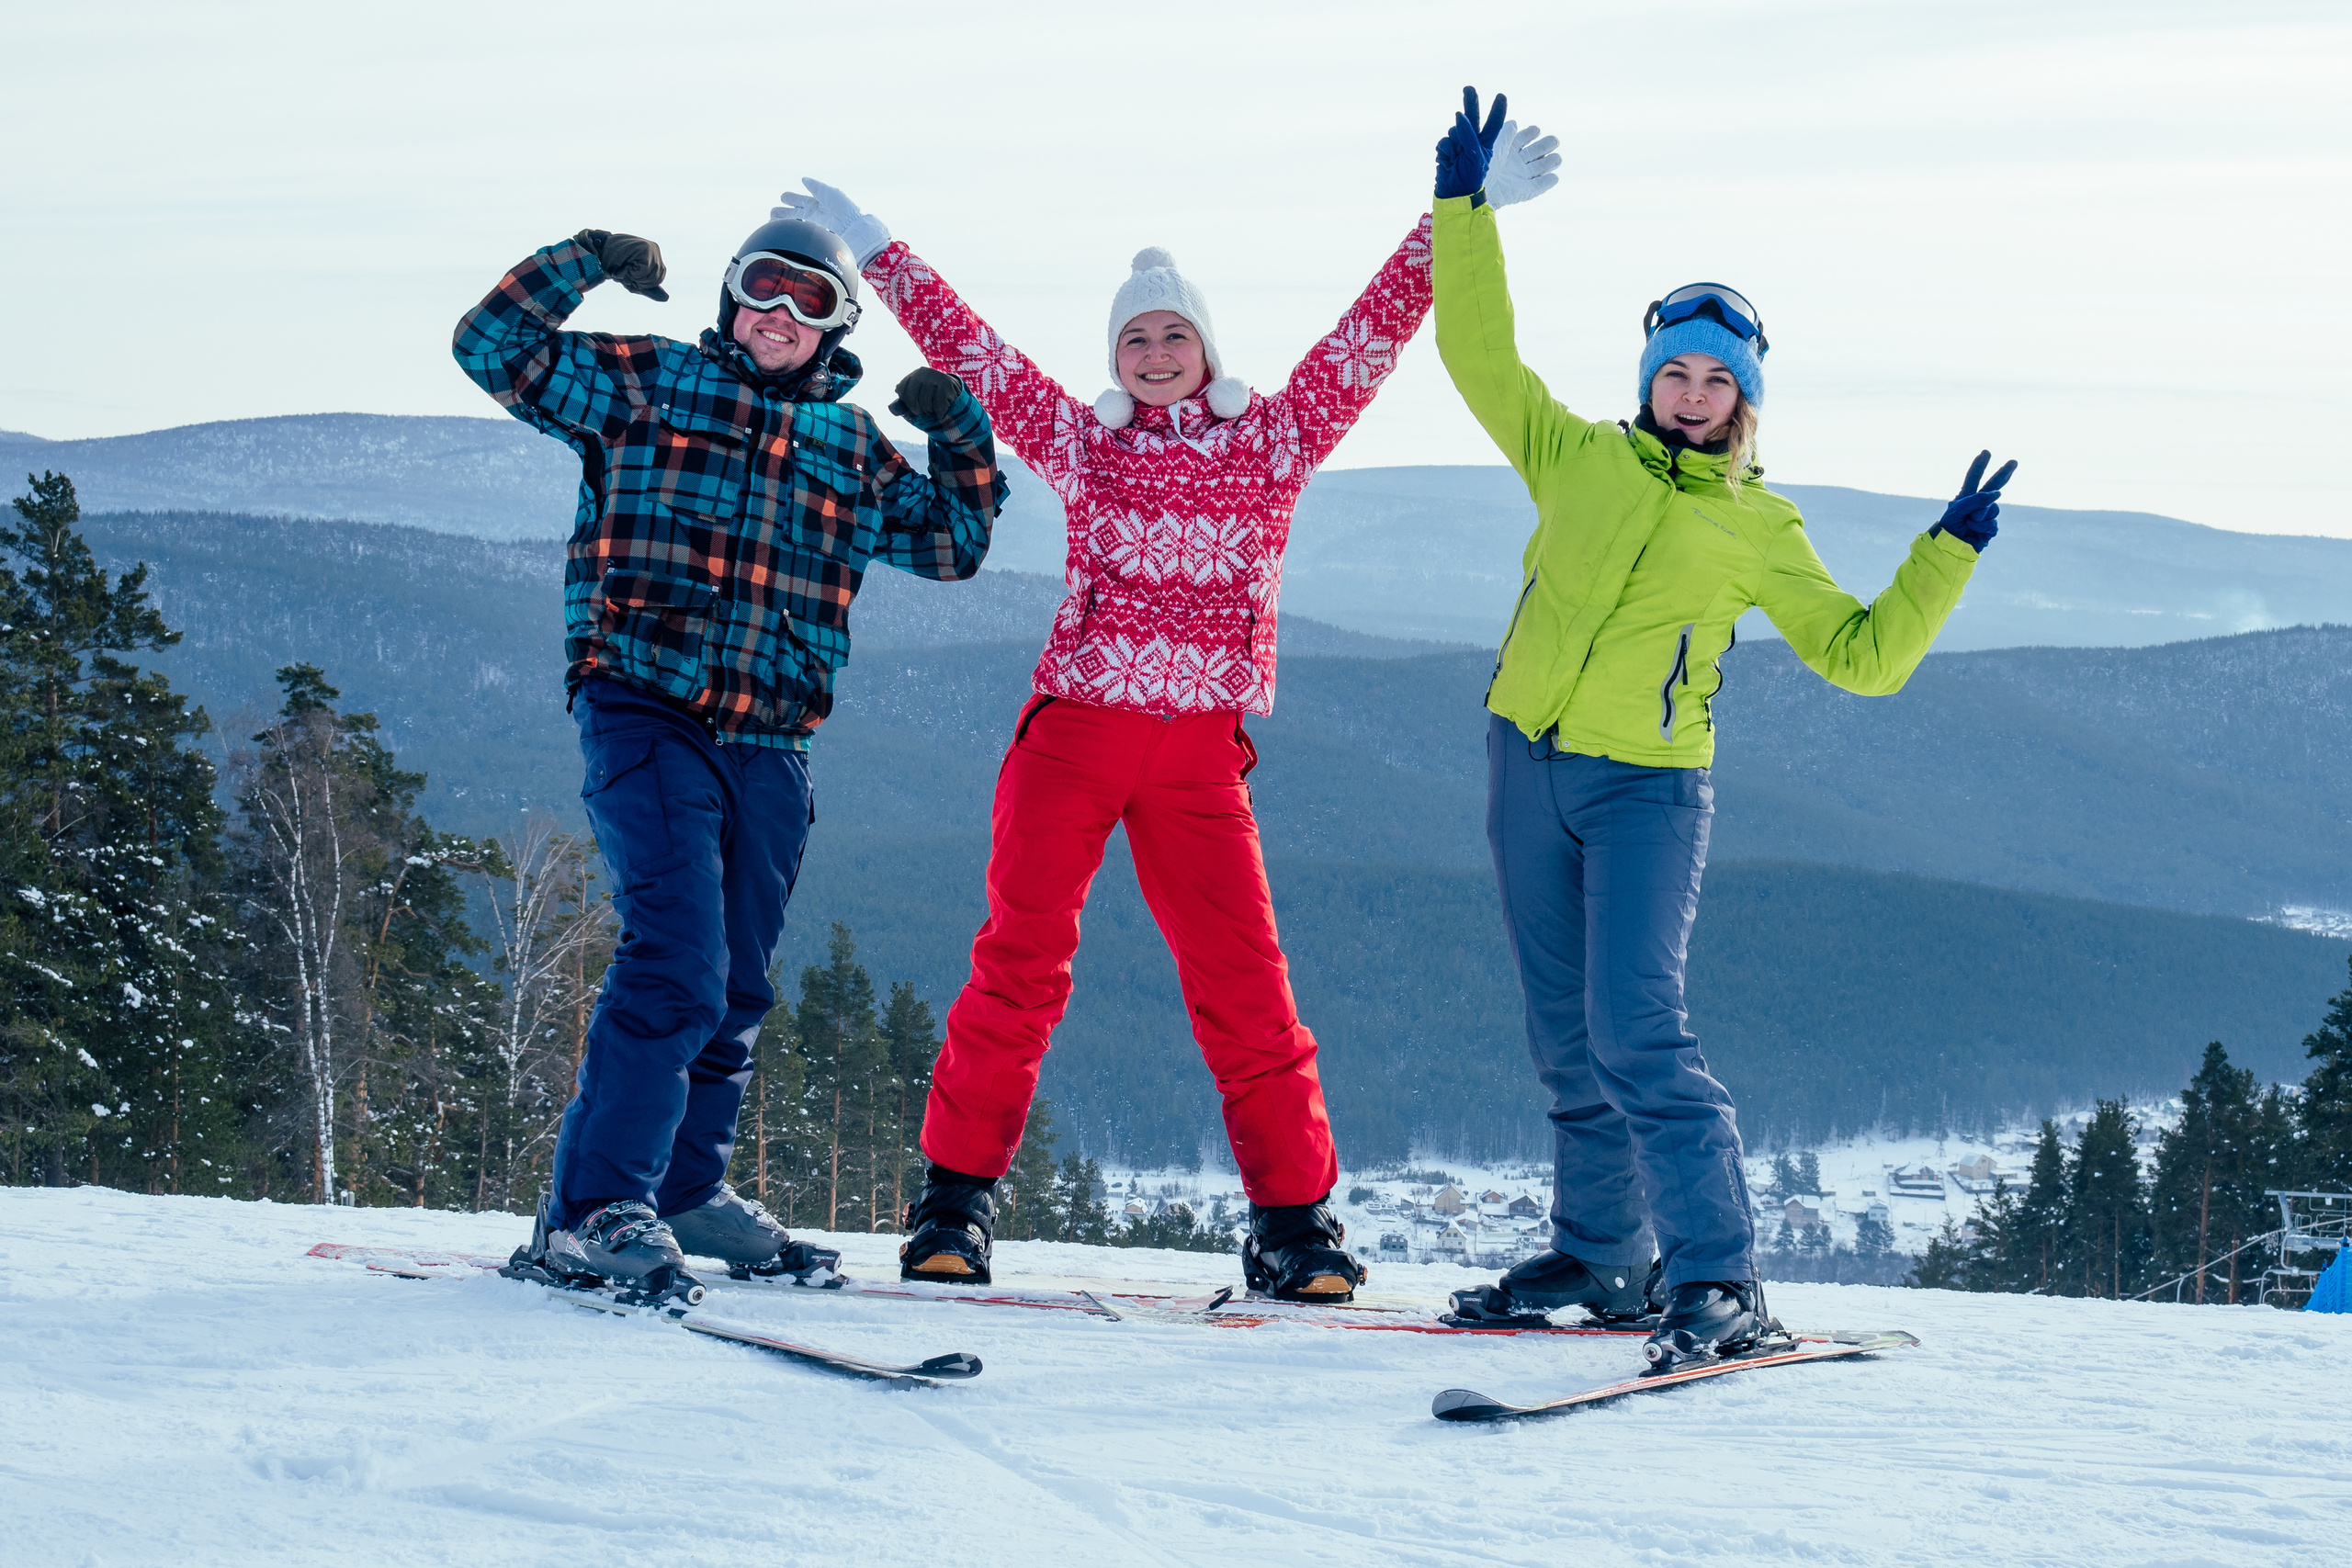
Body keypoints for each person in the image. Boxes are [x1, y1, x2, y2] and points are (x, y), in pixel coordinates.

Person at [775, 107, 1559, 1302]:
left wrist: (1463, 213)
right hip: (1073, 737)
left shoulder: (1274, 442)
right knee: (1020, 963)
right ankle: (952, 1203)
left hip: (1199, 754)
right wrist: (877, 249)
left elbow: (1374, 332)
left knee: (1246, 980)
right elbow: (972, 350)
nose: (1152, 352)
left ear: (1204, 344)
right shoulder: (1085, 445)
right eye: (1134, 336)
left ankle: (1294, 1223)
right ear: (1117, 353)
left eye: (1172, 333)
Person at [1426, 91, 2018, 1363]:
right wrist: (1462, 212)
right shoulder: (1574, 453)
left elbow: (1862, 658)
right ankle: (1603, 1255)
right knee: (1562, 1032)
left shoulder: (1763, 525)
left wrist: (1944, 557)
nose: (1692, 394)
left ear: (1745, 397)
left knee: (1638, 1027)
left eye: (1716, 380)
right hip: (1522, 760)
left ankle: (1721, 1277)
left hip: (1648, 790)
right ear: (1647, 378)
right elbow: (1478, 352)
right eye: (1675, 373)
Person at [452, 215, 1006, 1295]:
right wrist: (586, 262)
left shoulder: (850, 449)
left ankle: (683, 1194)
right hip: (644, 704)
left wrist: (960, 433)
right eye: (764, 288)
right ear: (728, 297)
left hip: (773, 738)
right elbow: (493, 348)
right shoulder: (646, 384)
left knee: (737, 983)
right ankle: (591, 1210)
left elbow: (954, 544)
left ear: (835, 329)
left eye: (809, 302)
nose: (780, 316)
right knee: (675, 963)